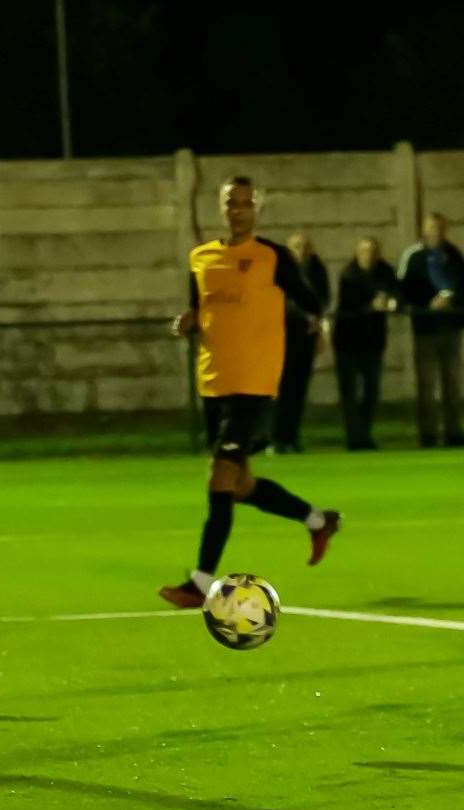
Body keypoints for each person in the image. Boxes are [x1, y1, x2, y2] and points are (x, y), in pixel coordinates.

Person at [161, 176, 342, 608]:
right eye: (231, 203)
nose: (238, 209)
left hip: (254, 382)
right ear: (220, 207)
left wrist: (317, 327)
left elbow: (311, 301)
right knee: (240, 486)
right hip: (214, 382)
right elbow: (199, 312)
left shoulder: (272, 257)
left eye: (246, 203)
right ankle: (318, 521)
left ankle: (201, 581)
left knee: (219, 478)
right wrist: (187, 323)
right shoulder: (201, 258)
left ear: (256, 208)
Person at [396, 213, 464, 447]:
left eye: (439, 228)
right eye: (431, 228)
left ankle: (453, 431)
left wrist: (451, 299)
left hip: (451, 326)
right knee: (427, 384)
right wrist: (427, 303)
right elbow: (403, 289)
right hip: (425, 327)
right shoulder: (413, 256)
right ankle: (428, 433)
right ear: (423, 230)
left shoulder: (454, 255)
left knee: (452, 382)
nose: (435, 232)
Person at [332, 236, 398, 450]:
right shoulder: (349, 275)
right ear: (357, 253)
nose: (368, 255)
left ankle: (365, 434)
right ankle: (354, 437)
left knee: (371, 391)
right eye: (364, 251)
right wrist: (372, 306)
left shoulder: (385, 271)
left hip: (373, 342)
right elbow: (348, 306)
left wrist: (391, 301)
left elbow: (398, 292)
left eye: (372, 251)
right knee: (349, 392)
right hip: (348, 341)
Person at [274, 232, 328, 453]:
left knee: (299, 388)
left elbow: (323, 298)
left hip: (307, 336)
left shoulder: (316, 271)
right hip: (285, 335)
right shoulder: (281, 272)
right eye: (296, 247)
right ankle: (277, 437)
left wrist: (317, 320)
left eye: (304, 246)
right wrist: (305, 315)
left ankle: (292, 435)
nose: (301, 251)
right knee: (282, 389)